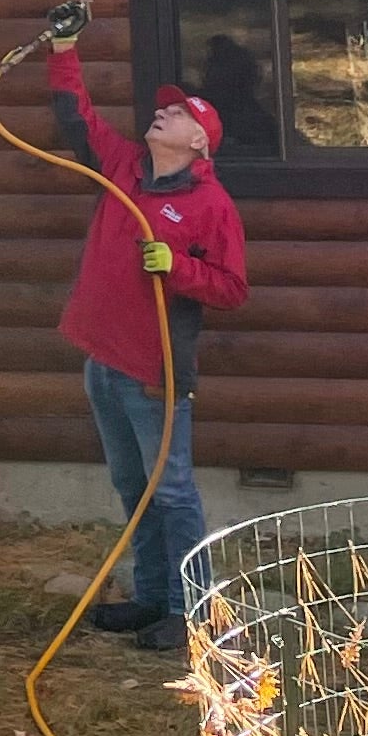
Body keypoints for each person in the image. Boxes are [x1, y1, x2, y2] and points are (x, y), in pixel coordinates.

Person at [46, 46, 250, 657]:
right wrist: (64, 51)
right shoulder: (124, 168)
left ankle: (194, 613)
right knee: (134, 489)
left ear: (199, 143)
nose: (163, 112)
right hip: (102, 362)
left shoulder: (210, 205)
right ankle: (152, 596)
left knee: (174, 492)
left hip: (153, 374)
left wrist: (179, 268)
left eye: (179, 112)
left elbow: (233, 288)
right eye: (165, 108)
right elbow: (77, 118)